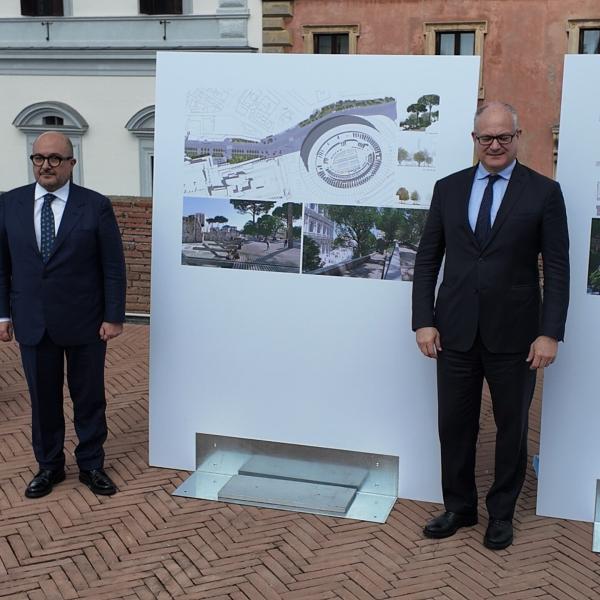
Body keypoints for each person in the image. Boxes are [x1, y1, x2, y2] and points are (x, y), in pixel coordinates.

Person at [412, 102, 569, 550]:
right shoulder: (448, 189)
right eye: (486, 138)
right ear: (474, 140)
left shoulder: (544, 193)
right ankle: (459, 508)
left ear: (518, 137)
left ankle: (501, 514)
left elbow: (557, 268)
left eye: (504, 137)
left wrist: (549, 332)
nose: (495, 145)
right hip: (454, 331)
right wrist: (423, 320)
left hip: (517, 336)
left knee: (512, 428)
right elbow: (427, 260)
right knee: (454, 426)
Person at [0, 132, 126, 498]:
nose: (46, 165)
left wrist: (114, 315)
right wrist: (3, 317)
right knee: (43, 400)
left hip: (86, 320)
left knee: (88, 398)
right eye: (39, 158)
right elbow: (2, 266)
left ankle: (91, 465)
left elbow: (112, 266)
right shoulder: (11, 204)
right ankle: (49, 467)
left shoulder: (95, 206)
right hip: (33, 322)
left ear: (72, 163)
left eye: (55, 158)